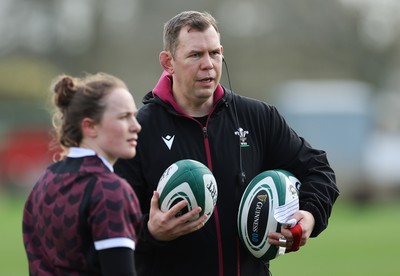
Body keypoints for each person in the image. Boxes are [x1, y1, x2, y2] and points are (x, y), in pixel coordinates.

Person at [115, 10, 339, 276]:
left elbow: (318, 169)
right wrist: (151, 231)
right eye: (195, 55)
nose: (208, 64)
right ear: (168, 62)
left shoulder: (257, 117)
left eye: (215, 53)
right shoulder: (139, 130)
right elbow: (111, 226)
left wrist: (309, 216)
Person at [22, 72, 142, 275]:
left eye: (134, 116)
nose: (136, 127)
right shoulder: (109, 190)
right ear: (90, 126)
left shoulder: (44, 181)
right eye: (124, 117)